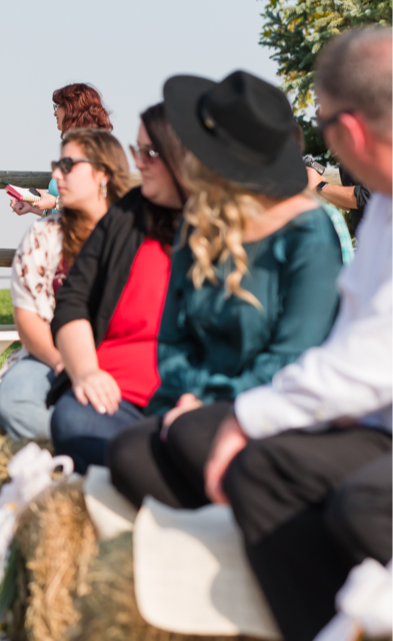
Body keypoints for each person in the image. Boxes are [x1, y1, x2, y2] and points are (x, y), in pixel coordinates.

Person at [203, 27, 392, 641]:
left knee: (361, 505)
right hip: (376, 416)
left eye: (322, 127)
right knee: (264, 470)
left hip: (376, 406)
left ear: (350, 133)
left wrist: (247, 416)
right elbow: (351, 338)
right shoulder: (383, 208)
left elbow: (372, 359)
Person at [106, 69, 344, 508]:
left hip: (270, 409)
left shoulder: (308, 233)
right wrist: (190, 394)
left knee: (185, 439)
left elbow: (292, 358)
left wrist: (210, 400)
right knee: (125, 454)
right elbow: (172, 342)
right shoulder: (200, 223)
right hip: (189, 403)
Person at [40, 110, 186, 464]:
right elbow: (72, 301)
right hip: (112, 396)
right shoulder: (126, 215)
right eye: (137, 151)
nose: (139, 163)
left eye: (150, 154)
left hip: (188, 398)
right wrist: (86, 371)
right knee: (73, 421)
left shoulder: (220, 226)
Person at [0, 128, 126, 443]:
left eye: (68, 165)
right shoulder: (42, 236)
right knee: (13, 401)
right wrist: (65, 364)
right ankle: (95, 445)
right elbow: (28, 320)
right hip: (50, 358)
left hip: (118, 354)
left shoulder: (134, 234)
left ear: (103, 174)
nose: (55, 174)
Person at [8, 83, 114, 216]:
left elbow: (95, 200)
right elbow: (66, 213)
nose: (54, 113)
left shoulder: (92, 150)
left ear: (72, 109)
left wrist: (55, 202)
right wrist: (33, 207)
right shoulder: (78, 149)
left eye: (58, 107)